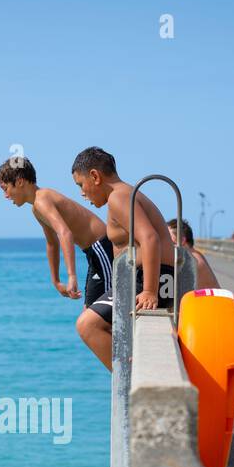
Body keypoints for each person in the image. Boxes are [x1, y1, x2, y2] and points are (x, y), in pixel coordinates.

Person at [0, 157, 115, 368]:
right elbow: (52, 244)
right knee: (91, 313)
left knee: (99, 319)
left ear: (20, 181)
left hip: (102, 249)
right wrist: (55, 280)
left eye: (6, 188)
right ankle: (122, 370)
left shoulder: (42, 199)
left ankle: (126, 371)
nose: (5, 195)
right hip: (93, 254)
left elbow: (65, 234)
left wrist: (71, 276)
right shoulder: (36, 208)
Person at [69, 147, 176, 367]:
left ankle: (128, 381)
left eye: (81, 185)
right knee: (96, 319)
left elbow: (150, 238)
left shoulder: (118, 197)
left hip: (149, 278)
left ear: (95, 176)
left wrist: (149, 290)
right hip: (144, 277)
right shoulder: (124, 194)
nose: (81, 193)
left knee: (87, 325)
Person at [167, 217, 219, 290]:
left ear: (182, 240)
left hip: (208, 301)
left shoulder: (192, 261)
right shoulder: (195, 254)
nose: (165, 243)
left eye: (168, 239)